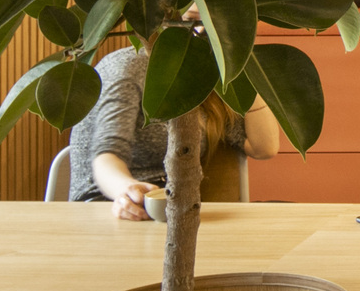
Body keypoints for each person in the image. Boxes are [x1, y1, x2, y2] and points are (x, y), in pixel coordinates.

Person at [67, 45, 280, 217]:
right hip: (111, 204)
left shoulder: (202, 76)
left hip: (173, 209)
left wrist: (241, 66)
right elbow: (106, 155)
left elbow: (264, 148)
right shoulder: (130, 66)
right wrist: (126, 189)